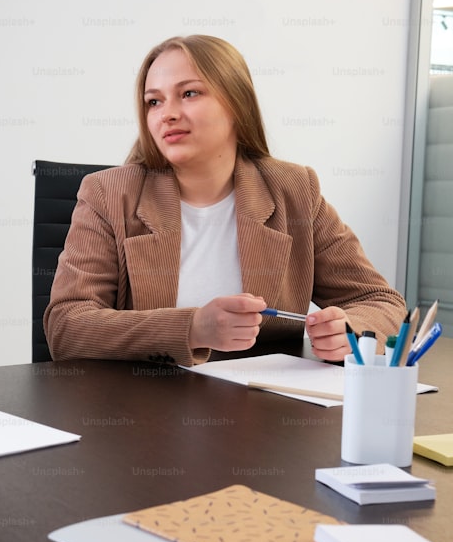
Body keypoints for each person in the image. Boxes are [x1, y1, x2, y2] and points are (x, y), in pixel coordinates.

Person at [44, 35, 405, 367]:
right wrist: (192, 328)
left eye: (189, 94)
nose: (167, 113)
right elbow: (67, 326)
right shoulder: (108, 193)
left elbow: (381, 302)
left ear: (237, 103)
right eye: (154, 101)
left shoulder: (295, 189)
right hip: (144, 410)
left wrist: (351, 330)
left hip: (263, 412)